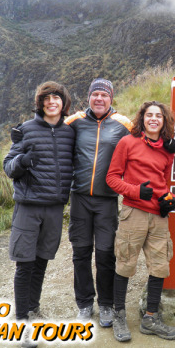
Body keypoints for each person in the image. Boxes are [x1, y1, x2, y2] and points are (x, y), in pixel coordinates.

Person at [3, 81, 75, 348]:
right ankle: (22, 323)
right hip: (29, 206)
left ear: (63, 103)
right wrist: (21, 162)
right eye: (47, 98)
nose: (52, 102)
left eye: (56, 97)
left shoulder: (69, 132)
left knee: (42, 260)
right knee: (25, 264)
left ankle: (33, 308)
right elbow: (8, 167)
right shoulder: (26, 130)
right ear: (40, 103)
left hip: (54, 207)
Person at [106, 101, 175, 343]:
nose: (154, 119)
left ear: (164, 121)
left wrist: (170, 200)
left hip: (158, 216)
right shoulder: (127, 142)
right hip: (133, 212)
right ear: (142, 119)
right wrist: (135, 191)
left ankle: (150, 318)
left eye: (159, 115)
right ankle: (119, 315)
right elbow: (112, 178)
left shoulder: (167, 150)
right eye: (149, 115)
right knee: (125, 263)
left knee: (159, 265)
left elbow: (164, 183)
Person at [64, 78, 132, 327]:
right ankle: (84, 303)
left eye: (104, 95)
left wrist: (168, 143)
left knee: (105, 254)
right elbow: (51, 134)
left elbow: (145, 141)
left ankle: (106, 304)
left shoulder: (123, 124)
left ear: (111, 98)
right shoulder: (75, 121)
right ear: (89, 97)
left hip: (107, 200)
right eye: (95, 94)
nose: (99, 99)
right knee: (81, 253)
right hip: (80, 197)